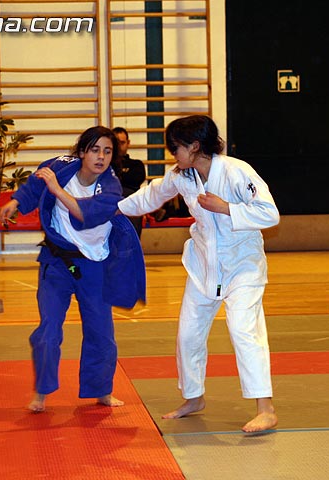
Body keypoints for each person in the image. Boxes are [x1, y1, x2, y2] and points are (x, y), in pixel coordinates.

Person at [117, 115, 279, 433]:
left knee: (243, 331)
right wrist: (115, 209)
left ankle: (266, 408)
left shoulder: (236, 171)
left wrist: (226, 207)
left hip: (242, 267)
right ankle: (193, 397)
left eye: (175, 148)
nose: (172, 155)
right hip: (203, 266)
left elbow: (269, 213)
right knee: (188, 334)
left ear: (194, 146)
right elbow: (150, 196)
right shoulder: (182, 176)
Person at [0, 126, 145, 412]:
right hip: (57, 263)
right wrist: (16, 202)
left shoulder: (111, 186)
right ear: (81, 152)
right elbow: (36, 184)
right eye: (95, 150)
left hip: (93, 266)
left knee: (101, 333)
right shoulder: (60, 168)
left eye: (107, 151)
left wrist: (56, 189)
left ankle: (101, 390)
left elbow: (84, 214)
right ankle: (41, 391)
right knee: (48, 331)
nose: (101, 157)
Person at [111, 127, 146, 237]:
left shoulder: (136, 164)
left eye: (122, 142)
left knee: (133, 200)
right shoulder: (105, 165)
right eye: (116, 143)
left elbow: (136, 180)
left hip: (131, 200)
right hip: (110, 200)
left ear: (128, 143)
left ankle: (133, 248)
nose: (119, 146)